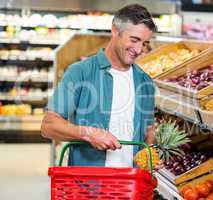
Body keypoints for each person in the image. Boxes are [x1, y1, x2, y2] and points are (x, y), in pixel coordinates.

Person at [41, 4, 157, 167]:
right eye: (134, 40)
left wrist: (150, 154)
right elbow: (48, 126)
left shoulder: (145, 81)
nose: (138, 50)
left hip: (130, 185)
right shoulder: (80, 72)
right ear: (115, 30)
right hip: (88, 185)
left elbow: (148, 130)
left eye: (144, 43)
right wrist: (88, 133)